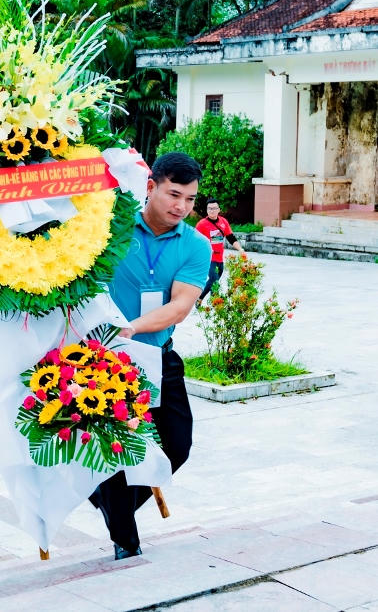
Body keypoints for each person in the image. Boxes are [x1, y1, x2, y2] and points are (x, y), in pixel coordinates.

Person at [92, 152, 212, 560]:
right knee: (114, 452)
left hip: (158, 354)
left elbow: (180, 307)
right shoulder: (111, 227)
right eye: (174, 194)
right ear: (151, 187)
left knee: (177, 446)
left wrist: (134, 327)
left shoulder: (196, 245)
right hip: (105, 361)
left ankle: (110, 504)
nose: (181, 207)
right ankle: (125, 539)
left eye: (190, 199)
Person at [195, 198, 246, 299]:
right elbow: (195, 241)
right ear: (206, 210)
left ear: (219, 210)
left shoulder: (223, 222)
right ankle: (208, 300)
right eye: (209, 208)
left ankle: (208, 300)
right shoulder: (201, 224)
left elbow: (231, 237)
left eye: (214, 208)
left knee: (215, 281)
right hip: (208, 258)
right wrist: (205, 250)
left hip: (219, 258)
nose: (212, 211)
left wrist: (240, 249)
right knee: (214, 279)